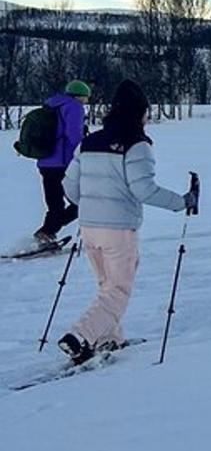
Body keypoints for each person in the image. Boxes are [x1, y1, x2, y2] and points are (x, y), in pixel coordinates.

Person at [57, 79, 198, 364]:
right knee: (119, 290)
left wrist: (92, 204)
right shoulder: (137, 145)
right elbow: (144, 190)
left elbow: (70, 188)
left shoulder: (89, 142)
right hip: (118, 229)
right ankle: (79, 335)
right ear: (139, 112)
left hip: (89, 228)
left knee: (107, 286)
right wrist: (183, 201)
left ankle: (109, 338)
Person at [33, 80, 91, 244]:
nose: (86, 101)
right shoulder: (74, 107)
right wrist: (85, 150)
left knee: (55, 203)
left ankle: (46, 232)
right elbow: (74, 136)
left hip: (45, 161)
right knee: (82, 202)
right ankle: (46, 232)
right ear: (80, 96)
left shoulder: (51, 105)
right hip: (63, 163)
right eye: (86, 98)